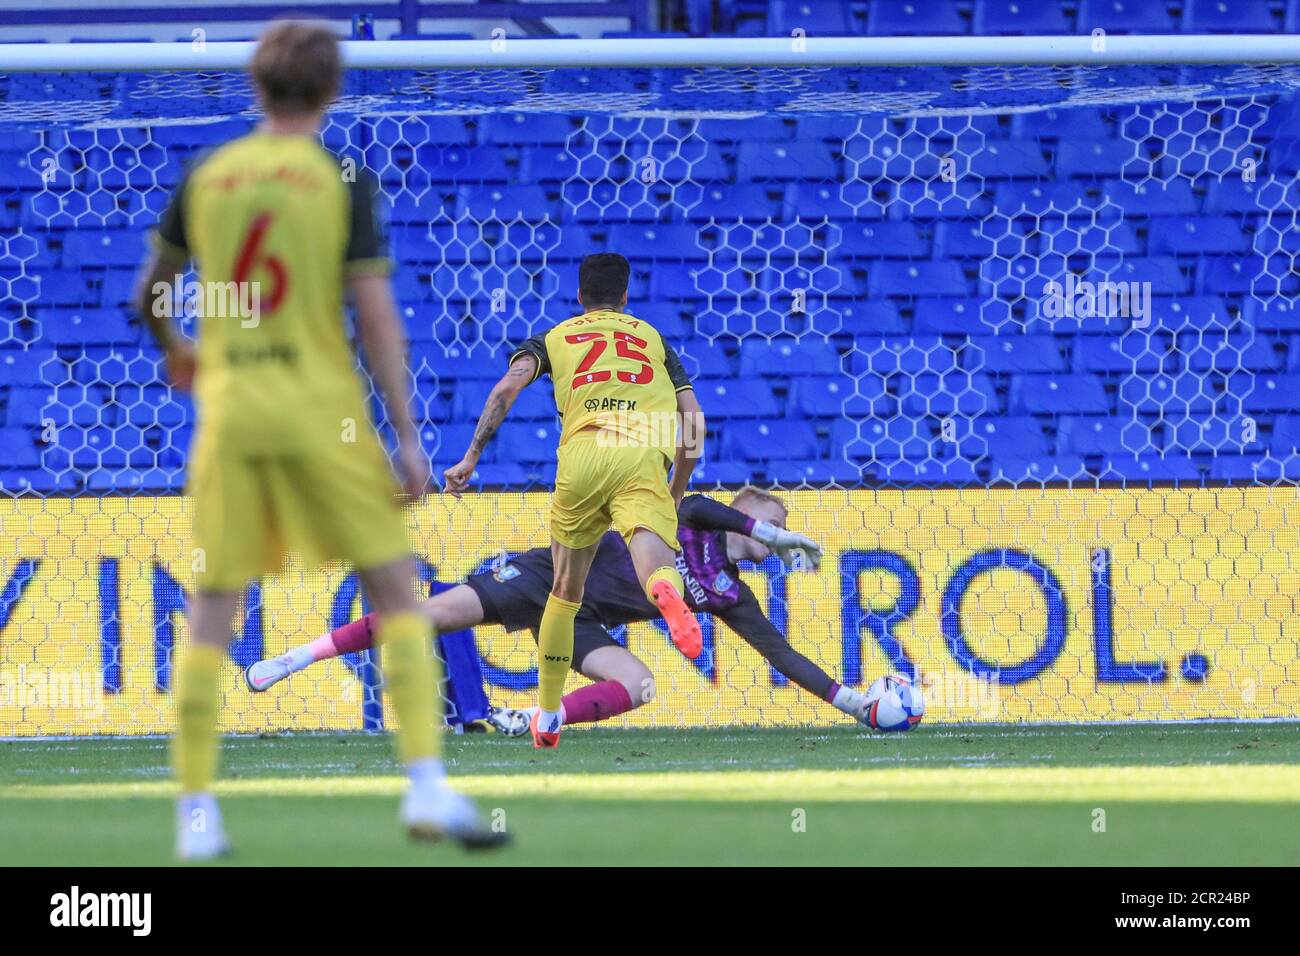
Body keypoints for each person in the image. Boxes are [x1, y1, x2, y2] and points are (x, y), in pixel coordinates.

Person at [135, 21, 504, 859]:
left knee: (213, 611)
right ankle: (426, 788)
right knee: (397, 593)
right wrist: (406, 436)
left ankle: (196, 816)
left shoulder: (209, 174)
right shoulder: (342, 178)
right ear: (332, 91)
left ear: (255, 87)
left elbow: (153, 290)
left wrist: (180, 351)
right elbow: (372, 314)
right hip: (322, 411)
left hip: (234, 415)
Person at [245, 489, 877, 727]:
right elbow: (698, 508)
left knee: (639, 683)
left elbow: (782, 653)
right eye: (772, 520)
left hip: (580, 620)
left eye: (781, 526)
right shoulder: (686, 518)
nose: (779, 530)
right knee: (429, 615)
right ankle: (298, 657)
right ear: (749, 516)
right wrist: (767, 532)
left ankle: (533, 720)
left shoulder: (729, 593)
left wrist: (849, 700)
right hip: (547, 575)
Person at [443, 253, 706, 748]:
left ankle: (546, 715)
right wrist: (675, 488)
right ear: (626, 299)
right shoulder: (651, 339)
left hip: (582, 456)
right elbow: (694, 421)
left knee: (564, 594)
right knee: (654, 566)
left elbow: (506, 388)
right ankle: (666, 591)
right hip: (641, 453)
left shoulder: (553, 336)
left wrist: (471, 456)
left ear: (580, 297)